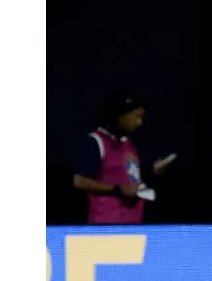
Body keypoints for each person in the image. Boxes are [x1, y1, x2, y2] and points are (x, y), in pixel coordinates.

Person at [72, 89, 175, 224]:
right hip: (106, 226)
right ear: (120, 115)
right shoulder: (96, 141)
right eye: (136, 116)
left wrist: (151, 170)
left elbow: (127, 177)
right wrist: (117, 189)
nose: (139, 123)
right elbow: (79, 181)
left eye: (141, 118)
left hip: (133, 224)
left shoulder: (127, 143)